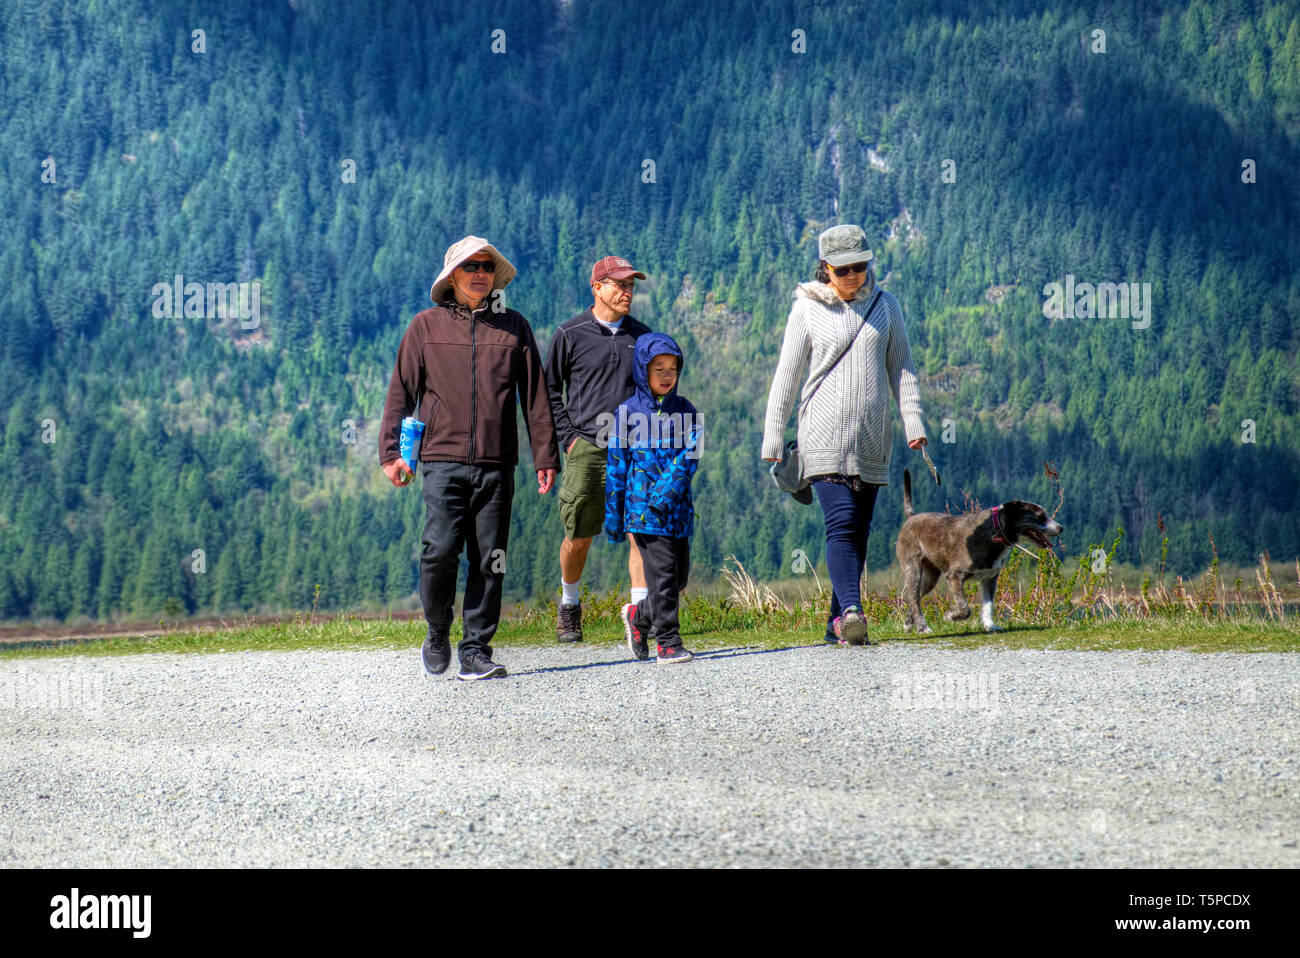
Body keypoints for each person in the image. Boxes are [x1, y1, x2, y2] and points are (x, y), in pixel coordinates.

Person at [380, 236, 559, 681]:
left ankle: (476, 649)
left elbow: (535, 398)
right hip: (441, 461)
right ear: (452, 277)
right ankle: (438, 627)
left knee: (489, 558)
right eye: (470, 267)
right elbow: (401, 393)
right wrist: (392, 456)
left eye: (486, 267)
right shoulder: (425, 328)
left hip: (498, 464)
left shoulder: (514, 327)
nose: (481, 273)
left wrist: (545, 454)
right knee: (438, 552)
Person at [762, 224, 928, 646]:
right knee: (841, 522)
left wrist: (915, 425)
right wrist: (772, 438)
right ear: (825, 269)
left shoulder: (886, 306)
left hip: (873, 435)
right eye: (843, 269)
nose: (854, 275)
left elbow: (902, 369)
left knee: (860, 530)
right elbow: (786, 376)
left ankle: (836, 622)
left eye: (860, 266)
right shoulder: (806, 310)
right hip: (821, 433)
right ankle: (853, 611)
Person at [543, 256, 651, 643]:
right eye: (620, 284)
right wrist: (569, 438)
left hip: (635, 448)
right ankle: (570, 606)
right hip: (587, 447)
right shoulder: (569, 334)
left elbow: (656, 390)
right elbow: (549, 391)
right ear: (597, 287)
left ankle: (641, 614)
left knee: (642, 529)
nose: (628, 292)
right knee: (579, 534)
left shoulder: (643, 337)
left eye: (631, 286)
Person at [605, 332, 701, 665]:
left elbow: (692, 455)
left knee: (677, 579)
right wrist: (614, 519)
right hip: (643, 514)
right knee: (662, 577)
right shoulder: (625, 413)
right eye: (657, 367)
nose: (665, 375)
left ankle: (639, 617)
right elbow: (616, 468)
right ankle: (668, 643)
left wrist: (665, 495)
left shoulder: (688, 410)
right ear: (642, 370)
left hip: (677, 513)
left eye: (672, 369)